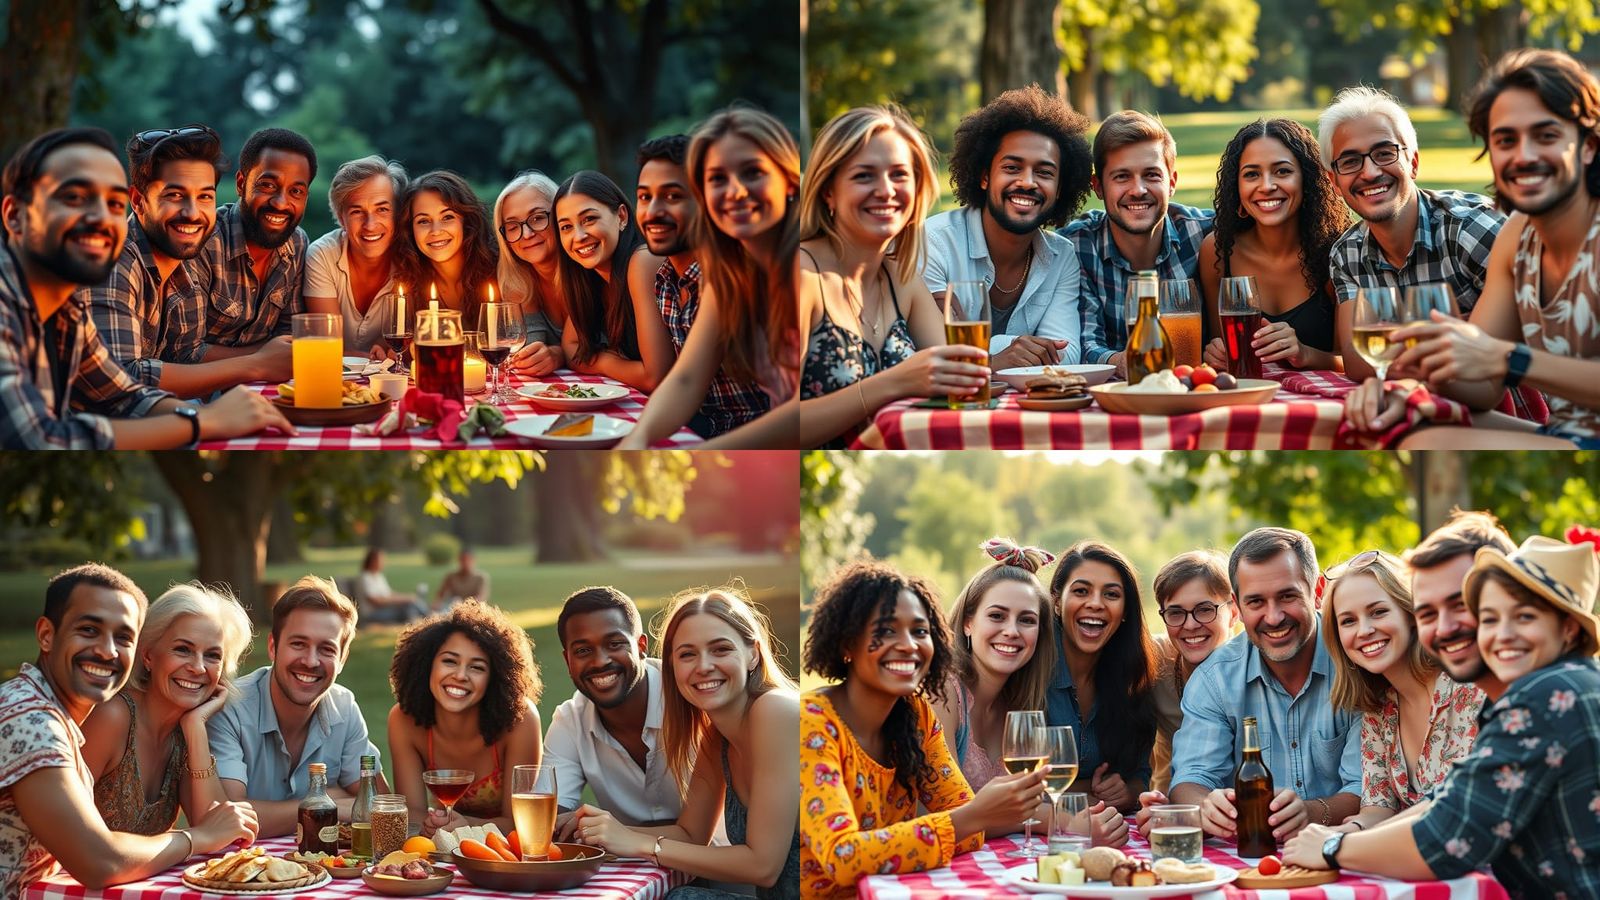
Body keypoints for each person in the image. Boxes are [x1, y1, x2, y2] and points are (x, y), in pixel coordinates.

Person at [1283, 534, 1600, 898]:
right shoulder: (1565, 685)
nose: (1502, 634)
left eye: (1524, 617)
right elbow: (1447, 800)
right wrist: (1344, 836)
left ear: (1568, 627)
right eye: (1490, 618)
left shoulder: (1541, 698)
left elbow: (1448, 838)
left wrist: (1332, 848)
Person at [1345, 49, 1600, 448]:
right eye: (1506, 140)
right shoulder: (1517, 237)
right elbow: (1483, 387)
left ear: (1588, 146)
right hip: (1564, 435)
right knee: (1408, 432)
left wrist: (1507, 358)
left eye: (1546, 136)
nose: (1523, 156)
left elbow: (1497, 359)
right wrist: (1417, 382)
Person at [0, 126, 292, 449]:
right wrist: (204, 420)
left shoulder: (67, 310)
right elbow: (40, 439)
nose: (100, 218)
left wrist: (211, 416)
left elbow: (122, 395)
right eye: (74, 198)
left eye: (113, 204)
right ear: (14, 216)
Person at [0, 564, 257, 894]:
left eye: (123, 638)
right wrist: (197, 838)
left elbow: (222, 830)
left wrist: (195, 728)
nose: (107, 651)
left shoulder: (51, 714)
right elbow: (99, 861)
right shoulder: (32, 721)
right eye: (88, 630)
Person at [799, 560, 1046, 899]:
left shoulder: (916, 715)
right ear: (846, 644)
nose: (908, 645)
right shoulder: (811, 723)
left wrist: (971, 818)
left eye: (919, 631)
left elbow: (970, 832)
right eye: (886, 631)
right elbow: (843, 857)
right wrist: (973, 816)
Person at [570, 588, 800, 898]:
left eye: (720, 649)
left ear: (753, 654)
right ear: (672, 667)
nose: (703, 666)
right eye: (687, 654)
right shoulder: (717, 737)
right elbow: (691, 835)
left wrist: (641, 844)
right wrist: (605, 831)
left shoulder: (776, 710)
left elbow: (763, 866)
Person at [799, 105, 989, 449]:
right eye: (864, 176)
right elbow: (772, 426)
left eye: (899, 175)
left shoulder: (901, 277)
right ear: (828, 191)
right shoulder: (802, 276)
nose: (886, 190)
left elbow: (955, 381)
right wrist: (894, 383)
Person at [929, 539, 1130, 845]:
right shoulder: (942, 692)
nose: (1012, 631)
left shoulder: (1019, 703)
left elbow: (1032, 795)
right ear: (968, 622)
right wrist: (1062, 821)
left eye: (1026, 620)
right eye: (997, 616)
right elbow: (950, 815)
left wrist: (1094, 796)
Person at [1168, 527, 1362, 843]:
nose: (1273, 617)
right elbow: (1190, 778)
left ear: (1317, 591)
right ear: (1237, 605)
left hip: (1343, 846)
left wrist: (1312, 812)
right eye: (1256, 601)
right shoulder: (1215, 679)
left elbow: (1370, 787)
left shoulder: (1356, 663)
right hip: (1246, 854)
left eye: (1287, 596)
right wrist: (1206, 806)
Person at [621, 115, 800, 448]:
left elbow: (804, 412)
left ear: (789, 181)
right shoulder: (729, 275)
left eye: (753, 173)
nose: (735, 191)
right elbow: (686, 379)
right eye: (717, 178)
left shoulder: (807, 266)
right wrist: (636, 440)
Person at [85, 124, 293, 397]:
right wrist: (256, 365)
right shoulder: (113, 261)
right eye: (175, 195)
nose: (193, 213)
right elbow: (121, 378)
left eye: (204, 196)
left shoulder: (183, 265)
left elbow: (184, 358)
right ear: (137, 200)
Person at [1317, 86, 1505, 382]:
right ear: (1334, 182)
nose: (1370, 173)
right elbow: (1358, 363)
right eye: (1350, 161)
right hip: (1418, 400)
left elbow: (1502, 349)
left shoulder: (1471, 230)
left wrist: (1391, 343)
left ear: (1413, 163)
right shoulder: (1347, 254)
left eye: (1384, 153)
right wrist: (1451, 333)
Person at [923, 85, 1093, 369]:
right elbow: (933, 348)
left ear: (1060, 189)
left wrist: (992, 354)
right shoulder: (934, 243)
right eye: (1012, 168)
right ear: (984, 177)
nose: (1027, 182)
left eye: (1044, 172)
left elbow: (1067, 352)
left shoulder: (1062, 256)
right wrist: (1002, 353)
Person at [207, 575, 385, 838]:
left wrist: (276, 812)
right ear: (273, 647)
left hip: (323, 860)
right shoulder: (230, 707)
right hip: (244, 861)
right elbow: (229, 817)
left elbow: (378, 806)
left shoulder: (344, 707)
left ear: (342, 660)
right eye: (298, 644)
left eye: (327, 649)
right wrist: (331, 803)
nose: (311, 661)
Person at [1318, 550, 1483, 831]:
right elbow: (1377, 809)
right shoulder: (1379, 711)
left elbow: (1460, 805)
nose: (1364, 630)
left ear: (1410, 613)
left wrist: (1341, 845)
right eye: (1348, 621)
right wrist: (1337, 834)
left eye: (1378, 612)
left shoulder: (1466, 690)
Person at [81, 583, 253, 835]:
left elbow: (215, 826)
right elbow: (70, 833)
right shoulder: (112, 716)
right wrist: (194, 839)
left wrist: (196, 728)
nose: (198, 668)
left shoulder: (185, 730)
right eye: (183, 649)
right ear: (148, 656)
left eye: (212, 655)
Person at [1064, 111, 1215, 374]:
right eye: (1122, 176)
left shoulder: (1205, 234)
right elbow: (1083, 344)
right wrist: (1125, 362)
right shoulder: (1077, 245)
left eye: (1151, 175)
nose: (1138, 190)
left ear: (1172, 182)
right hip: (1114, 394)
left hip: (1194, 388)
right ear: (1098, 186)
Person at [1200, 119, 1350, 372]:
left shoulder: (1336, 250)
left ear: (1307, 179)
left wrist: (1305, 354)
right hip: (1251, 393)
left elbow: (1354, 361)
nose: (1267, 186)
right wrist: (1216, 354)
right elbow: (1225, 349)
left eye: (1282, 171)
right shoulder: (1218, 251)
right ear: (1237, 187)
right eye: (1252, 174)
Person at [387, 600, 542, 837]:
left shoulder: (520, 719)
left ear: (494, 678)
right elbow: (413, 815)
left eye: (477, 667)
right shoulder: (403, 719)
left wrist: (466, 825)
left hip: (505, 851)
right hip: (444, 847)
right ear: (427, 665)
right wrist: (439, 825)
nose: (460, 676)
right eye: (449, 661)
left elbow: (520, 823)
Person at [545, 587, 684, 840]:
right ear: (568, 661)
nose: (600, 661)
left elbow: (698, 835)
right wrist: (561, 825)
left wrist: (607, 830)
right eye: (583, 651)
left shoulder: (687, 696)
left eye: (615, 644)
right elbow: (548, 819)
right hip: (627, 864)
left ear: (641, 646)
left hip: (718, 859)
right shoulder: (570, 720)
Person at [1046, 541, 1157, 813]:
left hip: (1107, 827)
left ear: (1125, 611)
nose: (1096, 603)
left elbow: (1140, 776)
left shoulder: (1134, 676)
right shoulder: (1029, 672)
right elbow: (1015, 781)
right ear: (1057, 601)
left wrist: (1126, 791)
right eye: (1081, 591)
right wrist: (1088, 792)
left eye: (1111, 594)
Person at [198, 127, 316, 348]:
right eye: (268, 185)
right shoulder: (204, 242)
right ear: (241, 184)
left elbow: (290, 335)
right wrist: (263, 359)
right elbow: (184, 352)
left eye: (296, 191)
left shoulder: (298, 244)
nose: (280, 203)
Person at [1145, 551, 1237, 798]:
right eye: (1175, 613)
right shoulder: (1154, 659)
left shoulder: (1254, 666)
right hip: (1175, 802)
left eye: (1205, 610)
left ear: (1234, 612)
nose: (1190, 625)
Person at [303, 155, 408, 355]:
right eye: (357, 212)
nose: (370, 225)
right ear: (341, 218)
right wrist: (376, 361)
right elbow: (329, 347)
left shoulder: (412, 258)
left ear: (398, 214)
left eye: (382, 209)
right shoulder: (322, 255)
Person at [392, 170, 499, 335]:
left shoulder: (501, 272)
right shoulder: (405, 286)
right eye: (423, 221)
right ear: (410, 230)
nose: (436, 231)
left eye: (447, 217)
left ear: (466, 221)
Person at [493, 170, 566, 377]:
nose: (527, 234)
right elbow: (529, 348)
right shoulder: (517, 282)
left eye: (537, 218)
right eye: (512, 226)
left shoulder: (587, 273)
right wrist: (532, 357)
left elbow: (602, 348)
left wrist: (558, 355)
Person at [354, 548, 426, 624]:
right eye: (380, 560)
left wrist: (406, 597)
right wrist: (402, 600)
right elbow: (376, 601)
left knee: (410, 606)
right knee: (407, 609)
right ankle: (428, 617)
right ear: (372, 561)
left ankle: (425, 618)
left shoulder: (378, 576)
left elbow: (389, 593)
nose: (383, 563)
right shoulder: (365, 577)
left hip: (384, 609)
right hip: (372, 613)